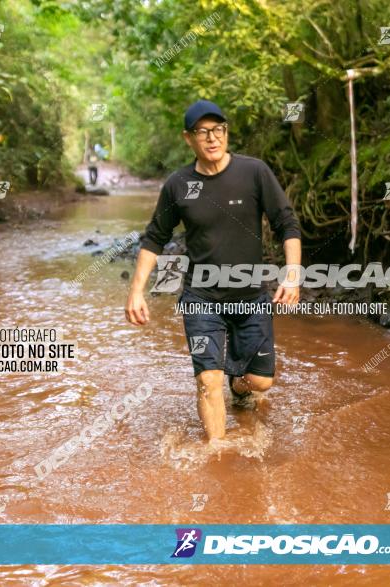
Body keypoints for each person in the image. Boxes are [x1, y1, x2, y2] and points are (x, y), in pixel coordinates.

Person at [125, 99, 302, 441]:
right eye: (202, 132)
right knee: (209, 381)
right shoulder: (178, 185)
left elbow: (287, 224)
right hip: (201, 297)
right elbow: (154, 238)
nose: (212, 138)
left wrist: (293, 273)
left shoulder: (254, 172)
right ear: (187, 138)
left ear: (226, 132)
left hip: (250, 297)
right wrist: (136, 291)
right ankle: (216, 453)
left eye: (218, 129)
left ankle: (239, 384)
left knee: (261, 381)